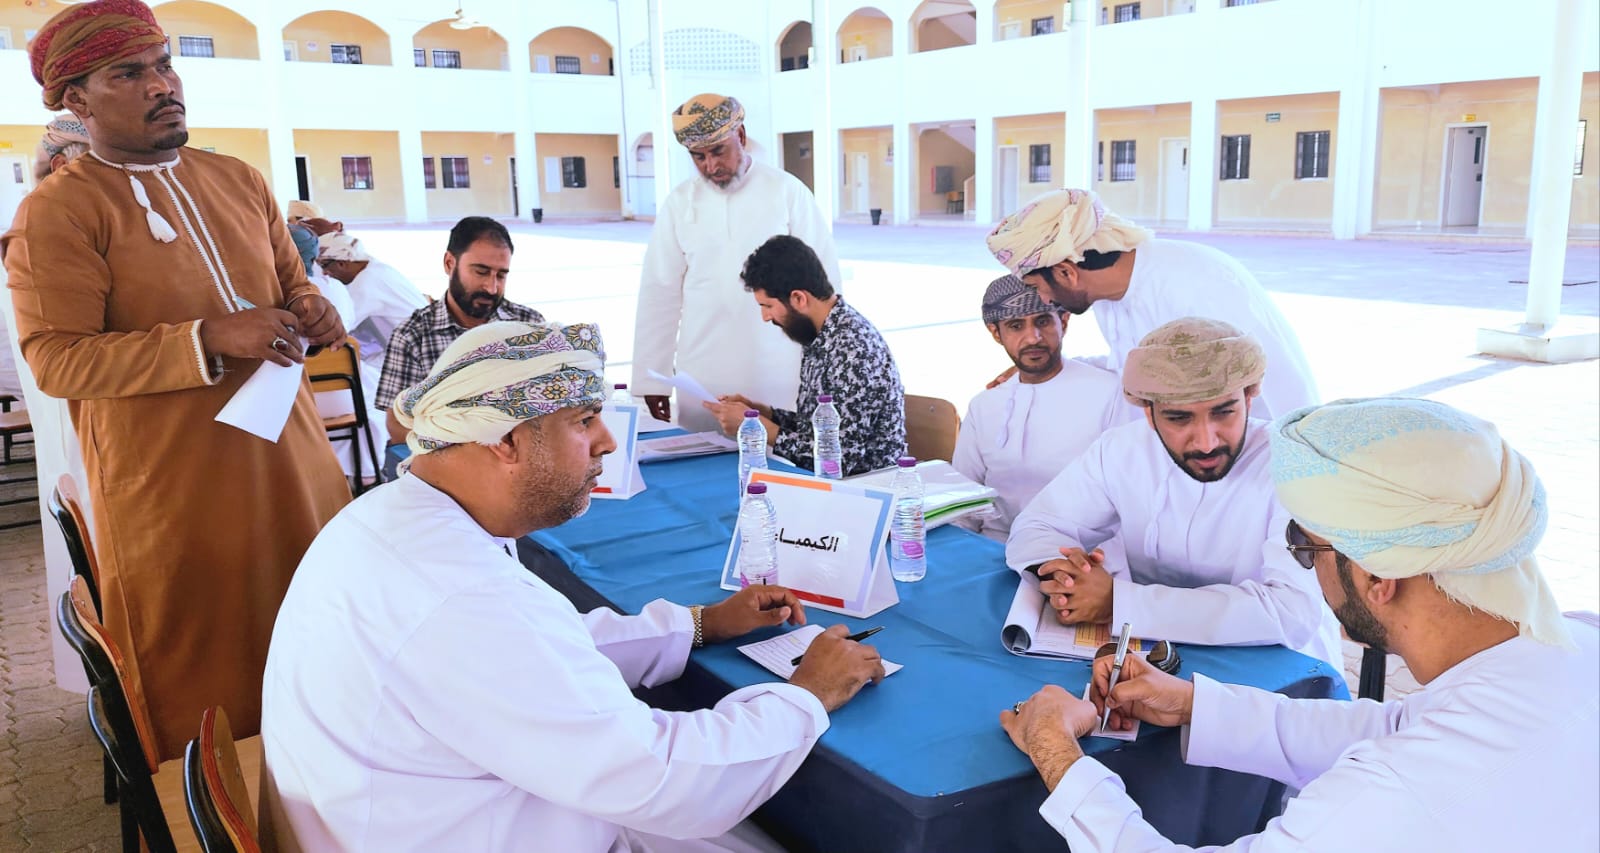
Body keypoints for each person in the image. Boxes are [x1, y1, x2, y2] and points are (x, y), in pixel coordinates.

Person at [261, 320, 887, 852]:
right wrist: (809, 694)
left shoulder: (389, 515)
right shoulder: (465, 598)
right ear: (507, 441)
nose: (606, 441)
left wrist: (700, 624)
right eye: (585, 421)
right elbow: (662, 779)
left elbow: (538, 656)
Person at [1001, 396, 1598, 852]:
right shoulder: (1572, 645)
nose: (1305, 566)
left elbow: (1402, 760)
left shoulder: (1390, 793)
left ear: (1377, 577)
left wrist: (1057, 752)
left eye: (1305, 546)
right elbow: (1396, 724)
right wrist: (1193, 705)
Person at [2, 0, 351, 759]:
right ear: (76, 100)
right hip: (172, 489)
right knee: (209, 674)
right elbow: (58, 358)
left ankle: (332, 789)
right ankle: (221, 806)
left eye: (164, 65)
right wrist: (206, 338)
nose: (162, 85)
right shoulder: (58, 213)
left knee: (324, 634)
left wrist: (313, 308)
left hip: (293, 462)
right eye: (129, 74)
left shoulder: (238, 179)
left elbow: (292, 285)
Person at [1006, 318, 1341, 670]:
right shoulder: (1121, 450)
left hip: (1278, 668)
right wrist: (1066, 578)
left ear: (1249, 396)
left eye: (1223, 412)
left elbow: (1290, 612)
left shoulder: (1294, 468)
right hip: (1153, 654)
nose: (1206, 442)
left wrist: (1119, 602)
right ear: (1148, 412)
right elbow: (1039, 525)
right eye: (1179, 419)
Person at [986, 188, 1318, 420]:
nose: (1045, 300)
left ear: (1066, 272)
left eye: (1038, 287)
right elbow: (1134, 365)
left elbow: (1272, 384)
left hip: (1252, 454)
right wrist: (1049, 368)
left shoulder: (1194, 283)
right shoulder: (1107, 295)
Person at [632, 93, 842, 432]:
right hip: (701, 374)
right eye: (698, 156)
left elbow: (824, 286)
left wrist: (829, 370)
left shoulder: (787, 192)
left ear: (741, 136)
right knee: (700, 455)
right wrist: (651, 380)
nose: (711, 166)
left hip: (778, 369)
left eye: (719, 151)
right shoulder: (680, 203)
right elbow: (659, 294)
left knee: (780, 454)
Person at [703, 235, 904, 478]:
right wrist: (763, 414)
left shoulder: (853, 349)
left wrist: (764, 432)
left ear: (798, 298)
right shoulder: (823, 333)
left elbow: (840, 460)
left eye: (768, 306)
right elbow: (820, 427)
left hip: (865, 489)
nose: (765, 317)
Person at [952, 275, 1123, 539]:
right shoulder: (984, 406)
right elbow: (963, 501)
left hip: (1076, 549)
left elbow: (1128, 498)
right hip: (994, 545)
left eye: (1043, 321)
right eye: (1016, 326)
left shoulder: (1109, 393)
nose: (1033, 338)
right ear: (996, 333)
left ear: (1063, 322)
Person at [377, 216, 544, 447]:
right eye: (481, 272)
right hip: (447, 461)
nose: (491, 287)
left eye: (501, 275)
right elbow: (398, 426)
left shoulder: (529, 326)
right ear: (449, 263)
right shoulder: (413, 335)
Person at [316, 231, 427, 374]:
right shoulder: (376, 268)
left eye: (324, 266)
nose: (325, 273)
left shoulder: (367, 282)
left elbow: (336, 327)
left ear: (342, 263)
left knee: (350, 371)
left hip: (418, 355)